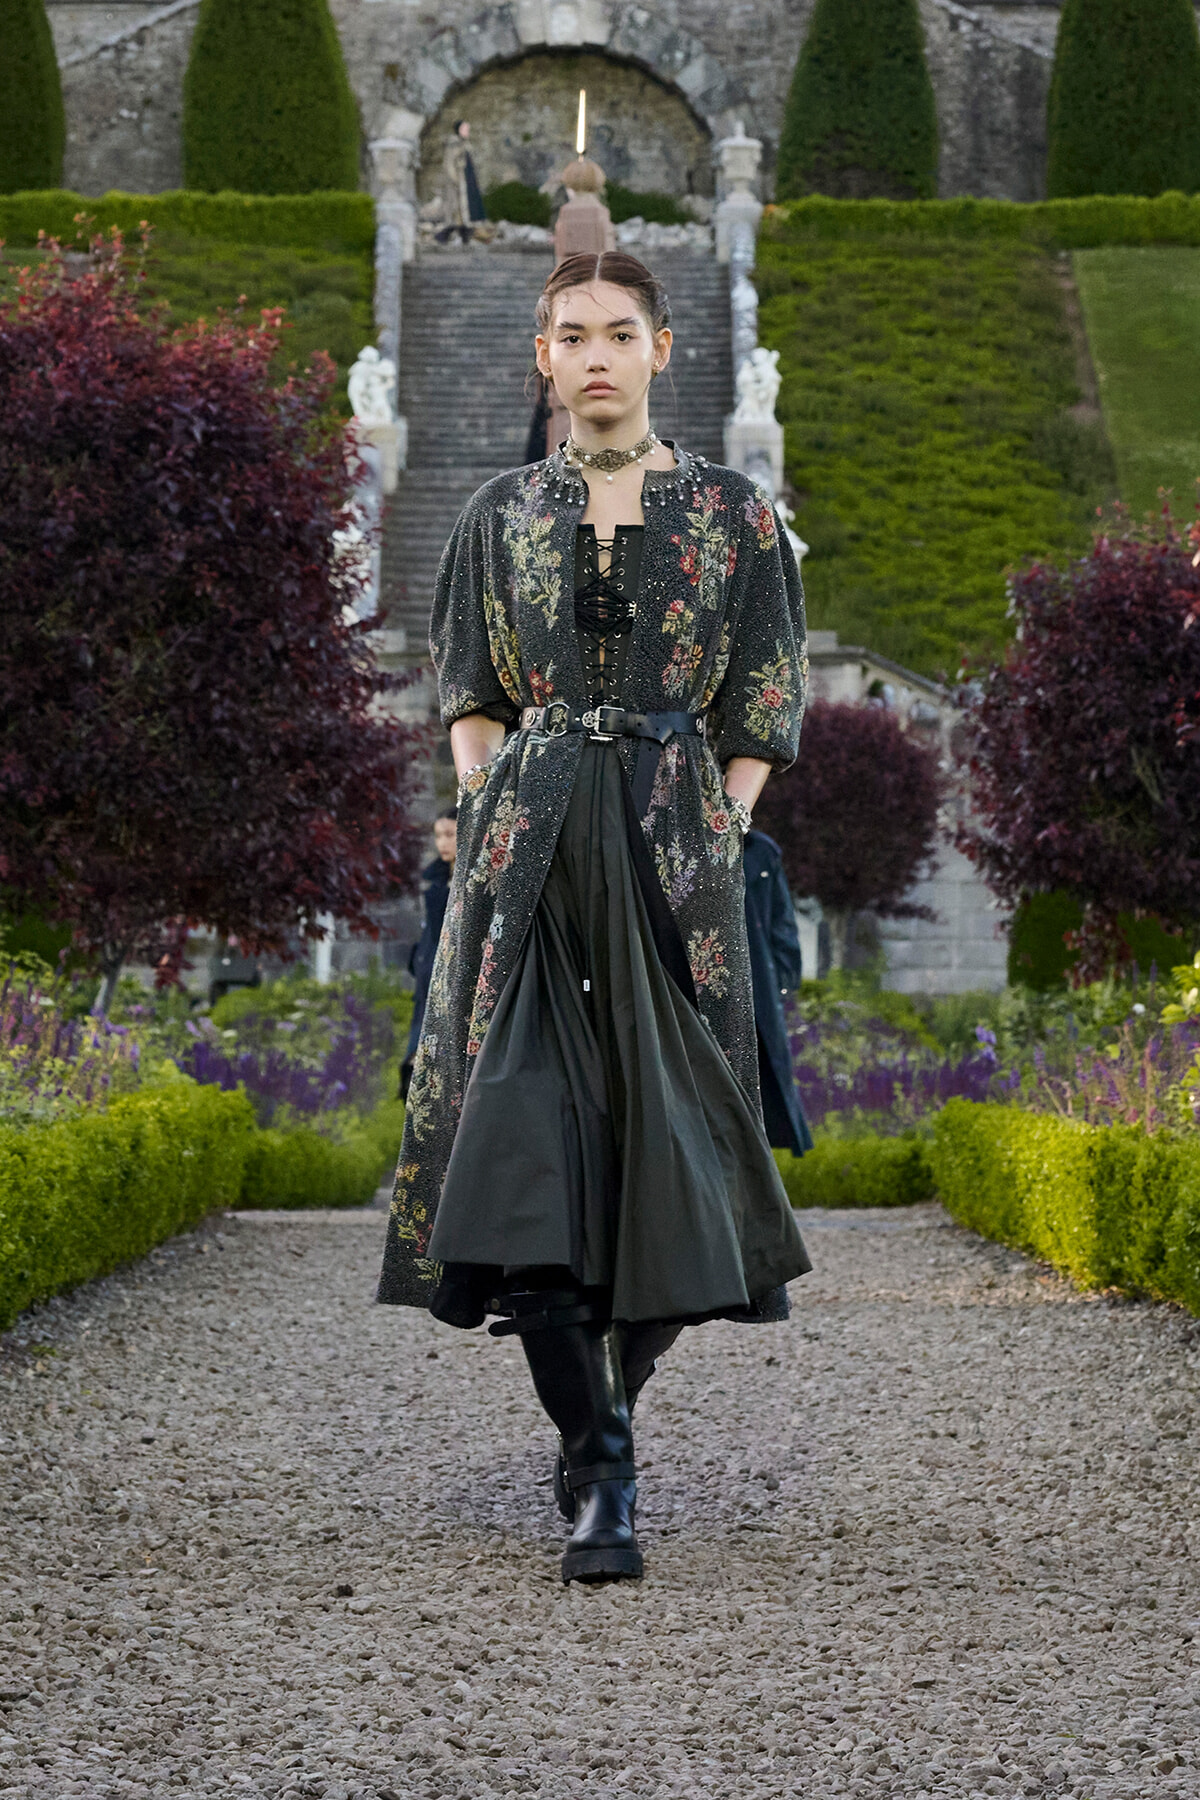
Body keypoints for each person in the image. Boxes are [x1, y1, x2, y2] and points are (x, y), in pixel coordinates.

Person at [377, 250, 811, 1584]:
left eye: (623, 330)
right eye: (574, 334)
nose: (599, 353)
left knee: (672, 1151)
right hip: (532, 864)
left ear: (666, 347)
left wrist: (722, 815)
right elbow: (463, 686)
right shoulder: (495, 515)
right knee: (527, 1158)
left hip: (679, 861)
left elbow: (767, 695)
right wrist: (494, 795)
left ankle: (602, 1422)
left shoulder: (737, 518)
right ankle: (605, 1470)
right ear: (546, 360)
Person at [743, 827, 814, 1156]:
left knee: (758, 1081)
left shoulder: (759, 851)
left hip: (755, 981)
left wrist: (782, 985)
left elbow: (782, 922)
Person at [399, 809, 458, 1102]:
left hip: (450, 984)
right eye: (438, 836)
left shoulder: (465, 885)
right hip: (426, 981)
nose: (442, 843)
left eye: (450, 835)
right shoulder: (435, 883)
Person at [437, 120, 486, 244]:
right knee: (457, 212)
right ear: (459, 130)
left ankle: (465, 237)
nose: (467, 131)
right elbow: (448, 165)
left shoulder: (465, 145)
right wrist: (455, 181)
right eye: (465, 129)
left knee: (465, 214)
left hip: (467, 181)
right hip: (458, 184)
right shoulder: (453, 145)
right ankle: (445, 235)